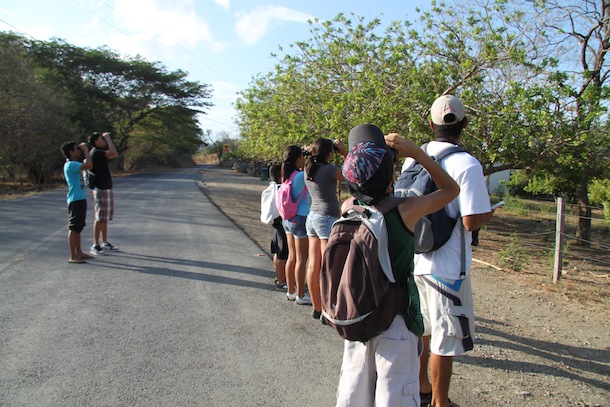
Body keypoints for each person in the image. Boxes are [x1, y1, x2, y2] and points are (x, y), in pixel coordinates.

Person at [335, 124, 459, 406]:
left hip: (359, 318)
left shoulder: (347, 207)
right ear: (391, 176)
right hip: (395, 323)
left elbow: (357, 178)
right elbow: (451, 189)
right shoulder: (406, 210)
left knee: (354, 395)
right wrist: (418, 154)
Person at [400, 95, 494, 407]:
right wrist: (488, 213)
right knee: (445, 338)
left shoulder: (413, 158)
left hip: (415, 260)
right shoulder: (467, 164)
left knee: (423, 328)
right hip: (448, 267)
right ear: (464, 125)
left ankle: (421, 387)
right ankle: (440, 402)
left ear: (431, 124)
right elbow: (470, 221)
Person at [304, 137, 347, 322]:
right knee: (328, 268)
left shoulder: (308, 168)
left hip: (312, 217)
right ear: (330, 153)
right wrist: (344, 152)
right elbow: (353, 173)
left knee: (313, 265)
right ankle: (327, 311)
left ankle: (317, 308)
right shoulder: (330, 170)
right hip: (327, 219)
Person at [280, 146, 311, 305]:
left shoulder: (287, 175)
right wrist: (312, 153)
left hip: (288, 219)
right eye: (302, 156)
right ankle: (300, 294)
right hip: (300, 219)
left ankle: (291, 291)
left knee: (292, 257)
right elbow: (313, 170)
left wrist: (304, 152)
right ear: (298, 159)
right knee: (301, 259)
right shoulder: (300, 176)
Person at [61, 141, 94, 264]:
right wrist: (86, 151)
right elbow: (89, 165)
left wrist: (85, 152)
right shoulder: (70, 165)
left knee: (79, 227)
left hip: (80, 198)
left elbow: (87, 163)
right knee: (73, 227)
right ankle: (72, 255)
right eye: (77, 149)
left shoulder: (74, 164)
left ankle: (79, 252)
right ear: (71, 151)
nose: (79, 150)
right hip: (75, 199)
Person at [88, 131, 119, 255]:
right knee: (99, 217)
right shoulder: (96, 152)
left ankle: (104, 242)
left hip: (106, 187)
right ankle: (95, 244)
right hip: (100, 187)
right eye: (102, 139)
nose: (104, 141)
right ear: (96, 142)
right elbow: (113, 152)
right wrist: (109, 139)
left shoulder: (99, 153)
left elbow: (114, 154)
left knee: (104, 217)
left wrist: (107, 140)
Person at [269, 164, 288, 290]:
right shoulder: (282, 189)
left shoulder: (273, 187)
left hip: (275, 225)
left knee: (277, 252)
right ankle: (281, 281)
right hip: (282, 225)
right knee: (283, 254)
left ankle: (278, 276)